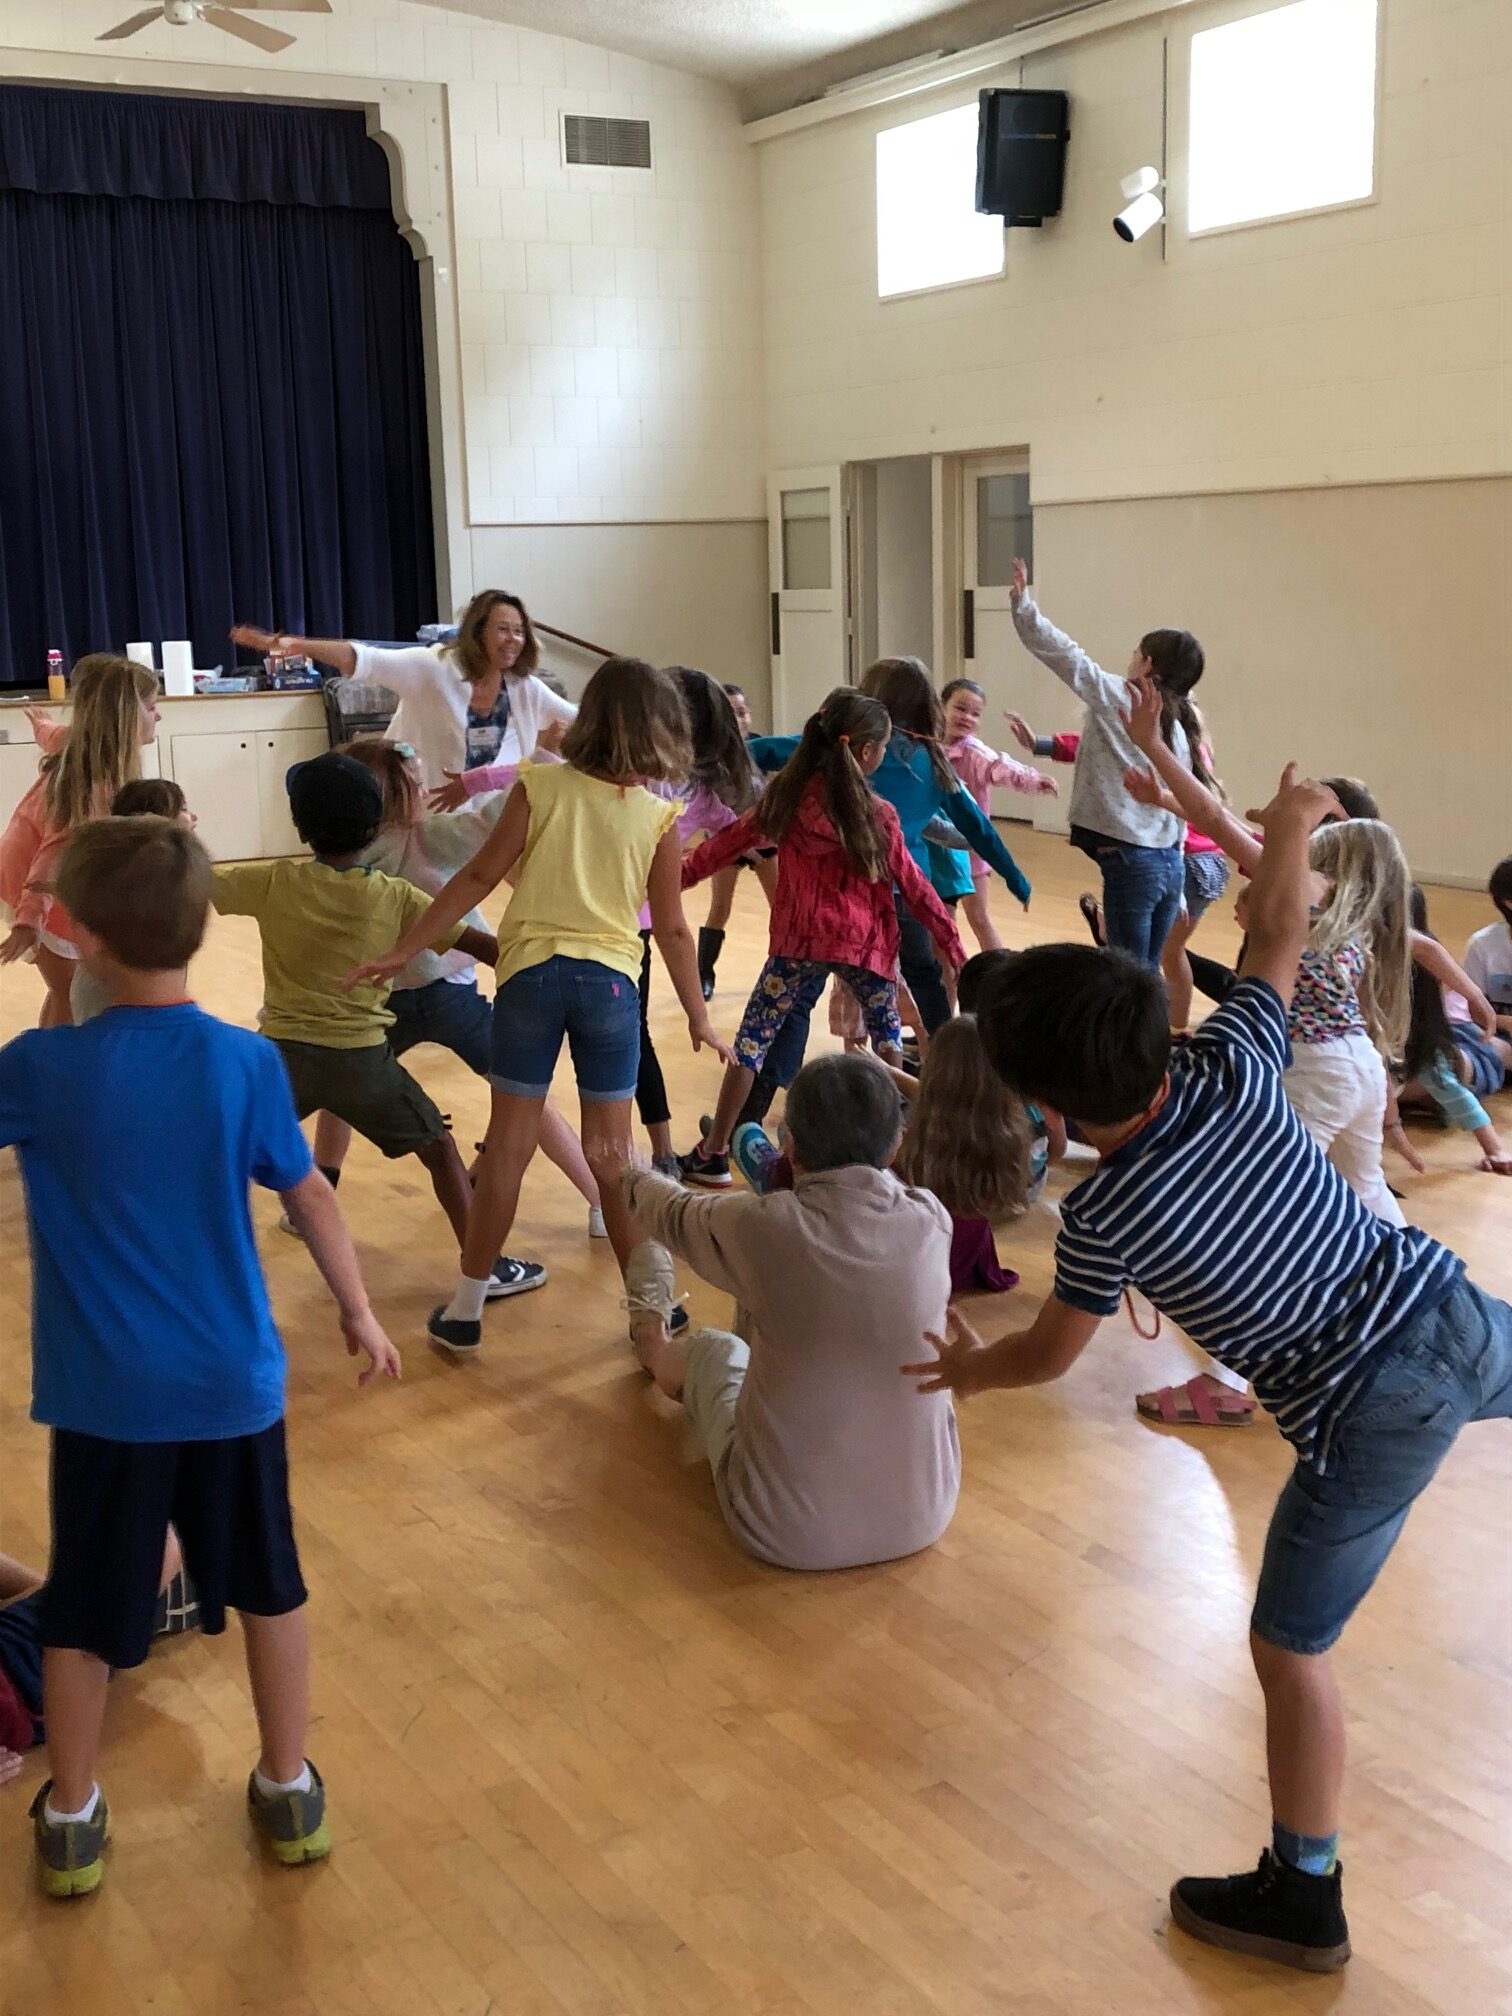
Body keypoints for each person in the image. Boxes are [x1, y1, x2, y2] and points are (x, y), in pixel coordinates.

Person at [906, 766, 1512, 1975]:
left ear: (1042, 1104)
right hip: (1445, 1310)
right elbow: (1279, 927)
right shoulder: (1235, 1062)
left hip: (1364, 1415)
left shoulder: (1102, 1220)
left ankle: (1304, 1894)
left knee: (1290, 1648)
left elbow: (1046, 1354)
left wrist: (971, 1375)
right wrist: (1288, 825)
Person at [0, 816, 401, 1896]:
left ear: (82, 936)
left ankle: (72, 1816)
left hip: (106, 1400)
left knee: (84, 1610)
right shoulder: (246, 1062)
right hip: (232, 1387)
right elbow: (310, 1194)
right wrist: (359, 1311)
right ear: (200, 928)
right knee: (271, 1587)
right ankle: (288, 1787)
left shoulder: (40, 1068)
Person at [345, 658, 730, 1356]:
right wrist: (698, 1017)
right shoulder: (659, 817)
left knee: (508, 1149)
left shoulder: (539, 784)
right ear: (663, 730)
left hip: (530, 981)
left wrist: (406, 948)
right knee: (614, 1154)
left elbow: (478, 876)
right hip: (610, 988)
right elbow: (673, 930)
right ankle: (655, 1310)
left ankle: (466, 1312)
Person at [211, 753, 542, 1300]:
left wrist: (167, 829)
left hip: (281, 1062)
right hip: (363, 1063)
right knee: (439, 1149)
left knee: (224, 1151)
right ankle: (485, 1270)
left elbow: (195, 881)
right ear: (373, 828)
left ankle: (200, 1261)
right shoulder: (396, 896)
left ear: (300, 829)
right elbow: (487, 948)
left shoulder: (272, 882)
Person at [621, 1052, 959, 1570]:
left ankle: (652, 1340)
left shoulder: (767, 1225)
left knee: (716, 1352)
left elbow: (674, 1212)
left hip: (785, 1533)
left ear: (791, 1146)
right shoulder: (932, 1219)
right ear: (896, 1144)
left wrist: (628, 1173)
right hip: (927, 1514)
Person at [299, 738, 606, 1235]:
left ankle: (322, 1188)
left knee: (342, 1091)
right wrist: (545, 756)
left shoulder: (342, 857)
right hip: (452, 998)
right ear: (399, 794)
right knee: (525, 1097)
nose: (424, 793)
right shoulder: (432, 835)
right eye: (417, 784)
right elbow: (498, 814)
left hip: (381, 1002)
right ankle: (599, 1202)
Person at [675, 689, 965, 1187]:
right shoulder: (878, 814)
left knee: (751, 1046)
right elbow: (915, 886)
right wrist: (952, 944)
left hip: (798, 945)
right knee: (886, 1040)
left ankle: (714, 1152)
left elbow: (723, 846)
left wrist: (671, 882)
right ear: (867, 753)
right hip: (865, 946)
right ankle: (882, 1155)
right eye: (883, 748)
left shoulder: (787, 800)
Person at [1007, 560, 1208, 970]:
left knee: (1128, 975)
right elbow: (1180, 803)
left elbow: (1066, 656)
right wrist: (1179, 884)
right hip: (1169, 866)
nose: (1130, 661)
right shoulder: (1181, 725)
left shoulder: (1123, 696)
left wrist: (1023, 606)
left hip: (1134, 863)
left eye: (1135, 654)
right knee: (1145, 972)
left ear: (1147, 664)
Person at [231, 590, 576, 789]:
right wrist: (290, 644)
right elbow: (361, 657)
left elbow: (582, 719)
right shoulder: (433, 668)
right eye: (503, 629)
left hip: (484, 815)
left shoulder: (524, 688)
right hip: (423, 813)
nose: (513, 639)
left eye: (519, 631)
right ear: (478, 631)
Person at [0, 656, 160, 1026]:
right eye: (152, 707)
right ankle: (56, 1056)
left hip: (56, 879)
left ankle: (56, 1050)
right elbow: (52, 857)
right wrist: (29, 920)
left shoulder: (80, 743)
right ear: (124, 717)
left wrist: (40, 724)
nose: (159, 716)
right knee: (66, 991)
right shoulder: (91, 785)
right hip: (37, 886)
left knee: (67, 989)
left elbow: (52, 735)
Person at [935, 678, 1057, 954]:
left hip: (971, 847)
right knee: (942, 922)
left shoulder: (974, 753)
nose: (967, 718)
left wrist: (1032, 779)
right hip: (937, 849)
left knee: (979, 917)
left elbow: (1000, 767)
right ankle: (951, 972)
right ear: (942, 707)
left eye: (975, 714)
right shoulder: (927, 747)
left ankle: (999, 969)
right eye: (960, 709)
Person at [1397, 886, 1510, 1175]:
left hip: (1460, 1048)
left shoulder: (1421, 966)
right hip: (1440, 1044)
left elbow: (1452, 1089)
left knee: (1486, 1053)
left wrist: (1495, 1150)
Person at [68, 777, 194, 1025]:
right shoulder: (139, 878)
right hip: (110, 996)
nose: (190, 817)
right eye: (182, 810)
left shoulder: (127, 869)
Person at [1462, 854, 1512, 1049]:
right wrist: (1504, 1022)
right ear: (1509, 902)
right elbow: (1471, 1009)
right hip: (1494, 1038)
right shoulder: (1482, 945)